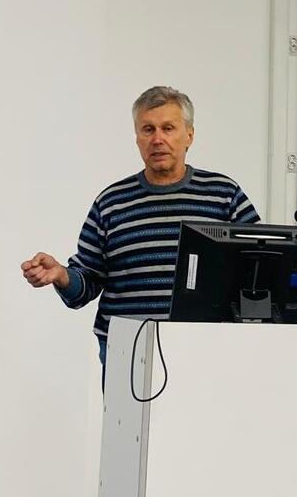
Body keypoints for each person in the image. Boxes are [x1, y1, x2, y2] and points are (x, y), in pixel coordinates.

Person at [20, 86, 263, 372]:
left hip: (206, 351)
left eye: (168, 128)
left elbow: (263, 265)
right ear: (137, 138)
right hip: (128, 351)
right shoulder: (111, 203)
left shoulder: (224, 195)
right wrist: (61, 276)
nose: (158, 139)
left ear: (189, 135)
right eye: (148, 129)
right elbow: (86, 283)